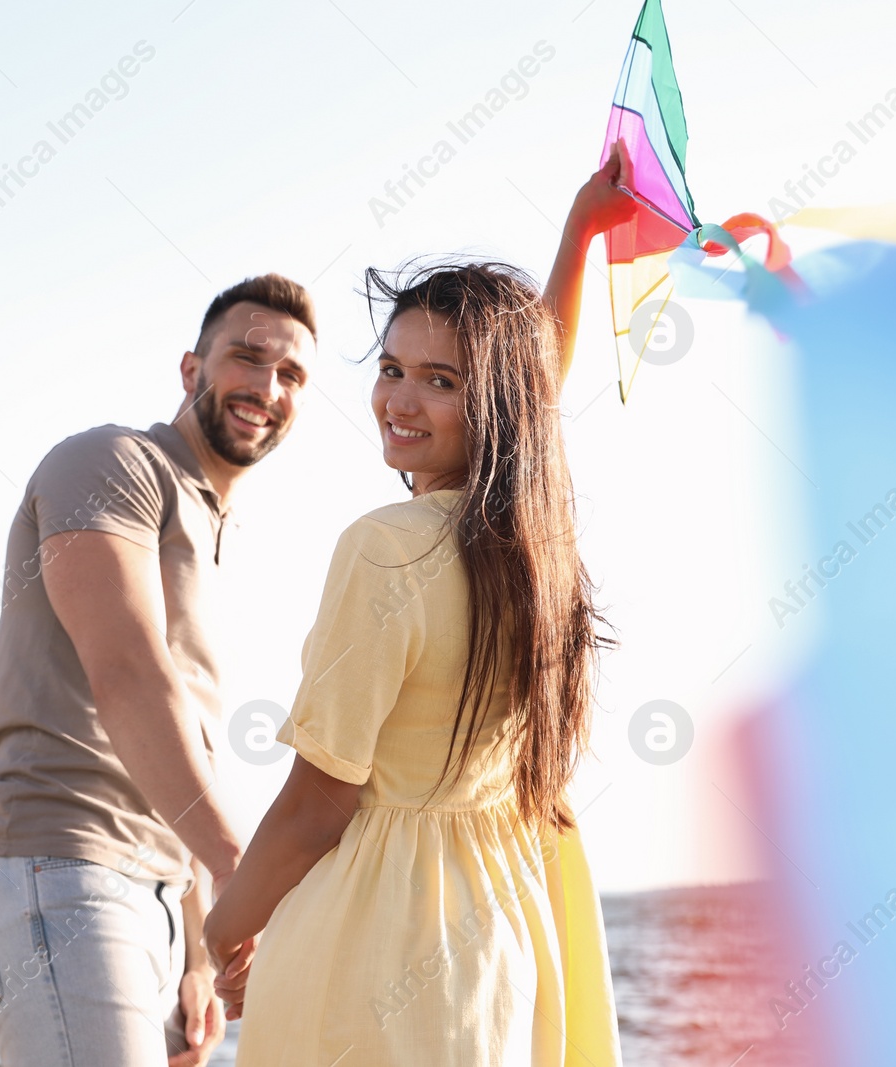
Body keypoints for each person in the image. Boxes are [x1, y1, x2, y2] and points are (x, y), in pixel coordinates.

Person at [200, 155, 640, 1065]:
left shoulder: (386, 545)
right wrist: (580, 231)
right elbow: (531, 388)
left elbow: (323, 797)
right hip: (503, 942)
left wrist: (223, 928)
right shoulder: (537, 555)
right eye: (393, 367)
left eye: (441, 381)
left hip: (372, 944)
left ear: (492, 401)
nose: (400, 400)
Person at [0, 273, 317, 1067]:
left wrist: (197, 953)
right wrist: (245, 876)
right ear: (191, 368)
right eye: (246, 358)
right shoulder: (111, 463)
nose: (266, 385)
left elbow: (185, 743)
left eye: (291, 375)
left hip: (155, 895)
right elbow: (129, 674)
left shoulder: (220, 532)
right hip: (58, 867)